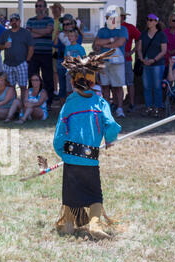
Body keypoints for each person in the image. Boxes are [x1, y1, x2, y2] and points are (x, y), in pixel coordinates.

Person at [54, 49, 121, 240]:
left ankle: (68, 224)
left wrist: (63, 153)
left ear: (73, 81)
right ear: (93, 81)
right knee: (94, 197)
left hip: (71, 160)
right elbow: (111, 126)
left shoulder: (68, 105)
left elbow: (59, 136)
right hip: (91, 160)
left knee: (71, 195)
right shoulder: (101, 103)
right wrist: (109, 139)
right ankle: (94, 223)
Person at [94, 6, 128, 118]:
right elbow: (96, 43)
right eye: (109, 17)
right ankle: (107, 109)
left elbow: (120, 43)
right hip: (104, 61)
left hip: (117, 62)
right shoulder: (102, 30)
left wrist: (104, 45)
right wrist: (112, 40)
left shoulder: (122, 29)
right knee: (105, 86)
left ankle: (119, 108)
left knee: (118, 86)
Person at [0, 13, 34, 109]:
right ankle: (13, 107)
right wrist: (4, 46)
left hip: (21, 63)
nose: (14, 22)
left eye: (16, 20)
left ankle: (23, 106)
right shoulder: (6, 33)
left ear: (19, 21)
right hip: (8, 64)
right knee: (10, 87)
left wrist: (27, 60)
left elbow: (31, 47)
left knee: (23, 87)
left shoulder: (25, 33)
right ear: (10, 22)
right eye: (12, 20)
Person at [137, 13, 168, 118]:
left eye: (151, 20)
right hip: (146, 64)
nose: (148, 22)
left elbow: (164, 51)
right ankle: (148, 107)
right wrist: (141, 59)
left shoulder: (161, 35)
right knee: (147, 87)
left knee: (157, 87)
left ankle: (157, 108)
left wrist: (154, 60)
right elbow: (139, 49)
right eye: (147, 19)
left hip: (158, 65)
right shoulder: (143, 34)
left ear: (156, 22)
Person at [26, 0, 55, 110]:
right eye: (36, 6)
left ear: (45, 8)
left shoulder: (49, 20)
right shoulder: (30, 20)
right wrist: (41, 32)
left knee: (48, 78)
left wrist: (33, 31)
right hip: (33, 54)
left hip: (46, 53)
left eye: (40, 6)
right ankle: (32, 100)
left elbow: (48, 31)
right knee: (32, 78)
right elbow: (29, 35)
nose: (38, 8)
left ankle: (48, 102)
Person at [54, 13, 80, 107]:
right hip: (61, 60)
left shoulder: (77, 35)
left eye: (67, 24)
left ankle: (73, 106)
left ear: (72, 24)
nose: (65, 26)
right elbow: (55, 45)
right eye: (63, 24)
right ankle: (63, 108)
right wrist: (57, 35)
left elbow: (76, 46)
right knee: (62, 85)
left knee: (73, 85)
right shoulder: (60, 34)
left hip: (73, 63)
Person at [119, 7, 141, 113]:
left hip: (126, 59)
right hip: (114, 59)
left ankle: (131, 103)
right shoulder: (111, 27)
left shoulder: (130, 27)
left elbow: (139, 39)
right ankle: (117, 103)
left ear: (123, 16)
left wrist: (132, 52)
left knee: (129, 82)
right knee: (116, 83)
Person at [64, 29, 86, 95]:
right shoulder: (67, 48)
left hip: (78, 72)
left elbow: (85, 59)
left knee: (78, 90)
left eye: (72, 36)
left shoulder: (80, 48)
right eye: (69, 36)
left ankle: (78, 104)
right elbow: (65, 59)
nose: (70, 37)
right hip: (69, 72)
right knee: (69, 90)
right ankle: (71, 104)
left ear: (76, 37)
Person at [51, 2, 64, 98]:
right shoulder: (51, 21)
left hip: (59, 49)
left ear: (60, 10)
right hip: (51, 49)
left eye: (57, 9)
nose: (54, 10)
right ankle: (55, 91)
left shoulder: (62, 21)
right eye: (53, 9)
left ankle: (61, 90)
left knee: (59, 71)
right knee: (54, 71)